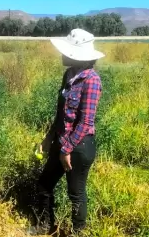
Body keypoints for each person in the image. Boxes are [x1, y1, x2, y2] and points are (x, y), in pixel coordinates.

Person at [34, 29, 104, 235]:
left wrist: (66, 150)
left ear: (75, 54)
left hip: (80, 145)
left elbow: (85, 122)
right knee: (44, 184)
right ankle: (44, 226)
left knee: (76, 193)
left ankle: (77, 233)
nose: (62, 54)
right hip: (61, 141)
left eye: (66, 51)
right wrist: (48, 138)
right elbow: (60, 113)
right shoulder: (69, 74)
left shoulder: (91, 80)